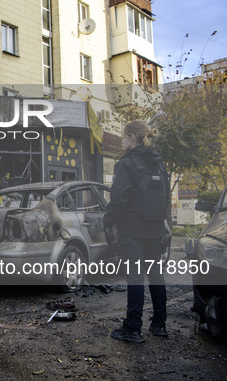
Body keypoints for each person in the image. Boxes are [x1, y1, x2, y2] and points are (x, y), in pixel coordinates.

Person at [103, 121, 170, 343]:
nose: (121, 141)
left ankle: (133, 328)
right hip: (155, 228)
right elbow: (166, 198)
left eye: (123, 137)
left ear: (132, 137)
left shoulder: (127, 164)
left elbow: (118, 199)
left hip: (132, 230)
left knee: (135, 278)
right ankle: (159, 324)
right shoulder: (158, 164)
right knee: (156, 275)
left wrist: (108, 220)